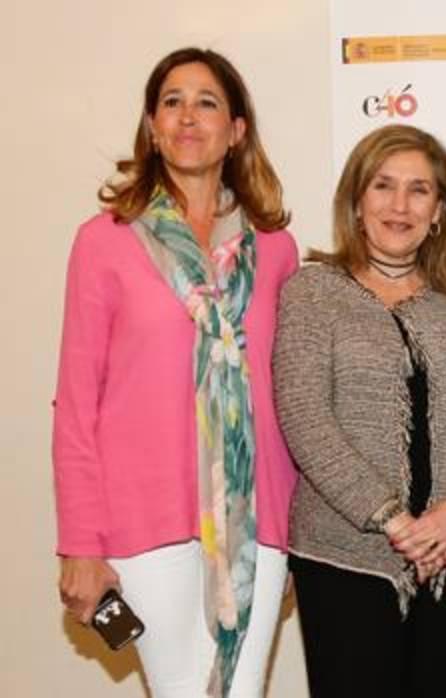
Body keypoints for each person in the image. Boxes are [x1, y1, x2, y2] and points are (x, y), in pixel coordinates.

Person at [53, 48, 298, 697]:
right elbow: (78, 405)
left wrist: (296, 525)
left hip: (256, 521)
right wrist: (80, 542)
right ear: (153, 125)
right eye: (172, 101)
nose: (189, 116)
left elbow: (286, 398)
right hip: (143, 519)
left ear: (237, 130)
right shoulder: (104, 240)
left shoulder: (273, 250)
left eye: (207, 102)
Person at [273, 123, 446, 696]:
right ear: (357, 202)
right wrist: (396, 522)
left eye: (419, 190)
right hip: (345, 563)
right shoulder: (313, 293)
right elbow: (306, 418)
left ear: (440, 212)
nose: (400, 206)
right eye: (383, 186)